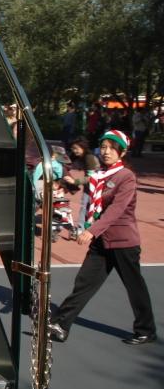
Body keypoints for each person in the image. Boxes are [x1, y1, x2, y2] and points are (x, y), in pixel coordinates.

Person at [49, 130, 156, 345]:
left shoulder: (126, 177)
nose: (106, 152)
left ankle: (146, 330)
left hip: (123, 241)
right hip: (101, 242)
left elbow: (116, 210)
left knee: (134, 286)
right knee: (84, 282)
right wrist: (62, 183)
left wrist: (91, 230)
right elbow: (82, 186)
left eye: (111, 147)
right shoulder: (100, 175)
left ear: (122, 151)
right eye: (103, 147)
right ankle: (61, 324)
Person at [62, 137, 100, 237]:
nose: (74, 151)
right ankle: (83, 227)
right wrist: (56, 156)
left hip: (98, 184)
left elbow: (92, 177)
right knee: (86, 205)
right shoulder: (79, 156)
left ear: (83, 147)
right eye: (72, 149)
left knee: (88, 206)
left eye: (76, 148)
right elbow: (66, 162)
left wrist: (75, 181)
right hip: (90, 184)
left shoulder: (89, 157)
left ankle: (83, 228)